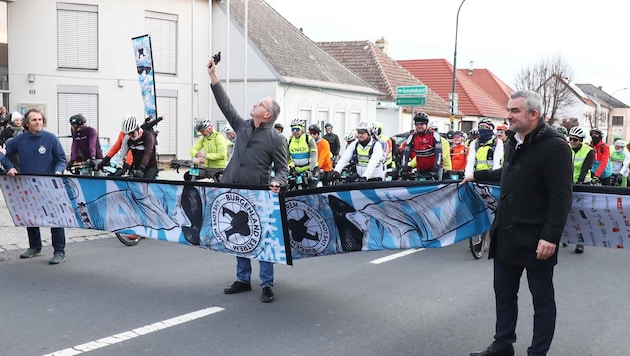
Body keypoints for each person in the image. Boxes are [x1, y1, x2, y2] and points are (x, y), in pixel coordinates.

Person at [464, 91, 573, 356]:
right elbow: (509, 173)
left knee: (542, 299)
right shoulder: (515, 140)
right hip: (507, 232)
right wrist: (476, 175)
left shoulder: (556, 147)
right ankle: (502, 345)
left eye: (514, 111)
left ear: (533, 115)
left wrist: (550, 236)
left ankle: (537, 352)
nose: (508, 115)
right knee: (503, 294)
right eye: (508, 109)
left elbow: (561, 197)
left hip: (537, 237)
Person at [208, 55, 288, 303]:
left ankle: (267, 284)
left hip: (259, 193)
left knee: (262, 238)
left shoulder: (276, 139)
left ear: (267, 115)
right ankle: (243, 279)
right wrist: (213, 76)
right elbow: (225, 105)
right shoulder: (242, 126)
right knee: (239, 236)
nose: (254, 104)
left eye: (260, 103)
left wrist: (277, 182)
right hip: (233, 189)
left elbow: (283, 170)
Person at [0, 109, 68, 264]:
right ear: (27, 123)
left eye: (40, 119)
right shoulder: (18, 140)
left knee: (55, 219)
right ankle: (35, 247)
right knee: (31, 217)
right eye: (34, 120)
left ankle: (59, 250)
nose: (38, 122)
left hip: (49, 185)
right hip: (28, 185)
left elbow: (61, 159)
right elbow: (2, 155)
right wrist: (9, 167)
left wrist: (58, 172)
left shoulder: (51, 138)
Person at [400, 112, 443, 180]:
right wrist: (404, 168)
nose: (419, 126)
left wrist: (436, 169)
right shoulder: (412, 137)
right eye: (417, 124)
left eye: (422, 124)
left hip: (433, 169)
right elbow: (406, 154)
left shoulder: (434, 135)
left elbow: (439, 153)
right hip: (420, 170)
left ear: (426, 125)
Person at [114, 114, 159, 179]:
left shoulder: (148, 136)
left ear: (137, 128)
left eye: (132, 133)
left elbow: (147, 154)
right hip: (136, 167)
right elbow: (122, 155)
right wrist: (119, 167)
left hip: (150, 167)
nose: (131, 135)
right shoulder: (127, 139)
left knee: (146, 181)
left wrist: (141, 168)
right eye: (128, 133)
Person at [287, 118, 319, 188]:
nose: (295, 131)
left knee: (312, 191)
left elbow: (314, 156)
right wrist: (291, 167)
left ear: (302, 129)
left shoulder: (309, 139)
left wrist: (310, 169)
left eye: (297, 129)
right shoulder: (289, 141)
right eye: (293, 129)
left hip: (311, 169)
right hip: (297, 170)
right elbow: (287, 157)